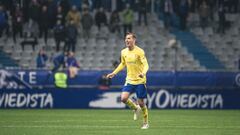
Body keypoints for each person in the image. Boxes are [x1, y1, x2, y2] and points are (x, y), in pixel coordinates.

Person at [107, 32, 149, 129]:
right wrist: (114, 72)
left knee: (141, 103)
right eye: (126, 38)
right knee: (123, 98)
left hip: (140, 80)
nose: (127, 40)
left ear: (134, 40)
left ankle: (146, 123)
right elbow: (122, 63)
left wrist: (143, 73)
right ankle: (135, 108)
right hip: (129, 79)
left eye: (129, 38)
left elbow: (146, 65)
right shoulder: (123, 52)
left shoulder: (140, 51)